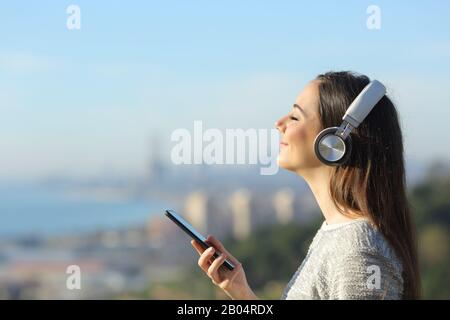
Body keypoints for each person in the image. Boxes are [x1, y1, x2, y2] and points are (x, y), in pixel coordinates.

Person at [191, 71, 420, 300]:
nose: (279, 124)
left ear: (334, 141)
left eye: (295, 117)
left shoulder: (358, 248)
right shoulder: (336, 233)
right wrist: (240, 290)